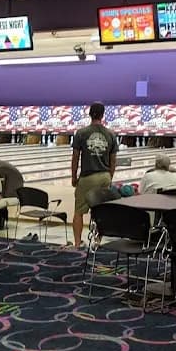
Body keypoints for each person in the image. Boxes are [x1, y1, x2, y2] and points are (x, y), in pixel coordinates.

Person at [71, 102, 118, 247]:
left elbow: (75, 157)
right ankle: (97, 242)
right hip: (104, 176)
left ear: (90, 114)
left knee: (78, 212)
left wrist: (73, 176)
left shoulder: (81, 133)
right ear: (103, 115)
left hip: (87, 177)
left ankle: (78, 244)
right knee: (101, 212)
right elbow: (113, 160)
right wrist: (109, 176)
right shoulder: (111, 134)